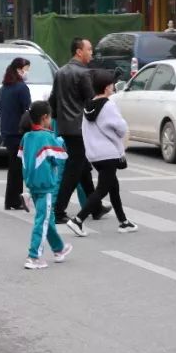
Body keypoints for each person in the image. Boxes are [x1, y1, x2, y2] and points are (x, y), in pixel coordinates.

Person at [66, 70, 138, 237]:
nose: (113, 87)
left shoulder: (88, 106)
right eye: (112, 84)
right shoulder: (108, 105)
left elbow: (85, 130)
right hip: (108, 153)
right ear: (107, 88)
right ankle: (78, 220)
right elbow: (121, 127)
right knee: (103, 189)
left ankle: (123, 221)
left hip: (95, 154)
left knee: (113, 186)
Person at [49, 37, 103, 224]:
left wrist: (57, 120)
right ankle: (58, 210)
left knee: (82, 167)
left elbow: (53, 99)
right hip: (80, 128)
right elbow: (91, 102)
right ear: (79, 52)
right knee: (74, 169)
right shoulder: (83, 73)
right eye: (89, 49)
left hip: (65, 126)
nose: (91, 52)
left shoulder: (61, 72)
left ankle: (94, 206)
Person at [20, 101, 72, 269]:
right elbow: (62, 156)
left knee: (46, 219)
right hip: (46, 186)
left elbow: (22, 156)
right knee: (42, 220)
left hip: (32, 184)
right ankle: (33, 256)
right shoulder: (47, 137)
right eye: (49, 117)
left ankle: (59, 248)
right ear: (44, 118)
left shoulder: (26, 137)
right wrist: (60, 142)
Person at [0, 57, 32, 211]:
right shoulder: (22, 88)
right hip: (19, 133)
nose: (27, 72)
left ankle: (11, 200)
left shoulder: (4, 88)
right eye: (26, 69)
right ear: (19, 70)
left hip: (6, 131)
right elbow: (28, 110)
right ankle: (14, 200)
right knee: (17, 168)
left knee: (14, 167)